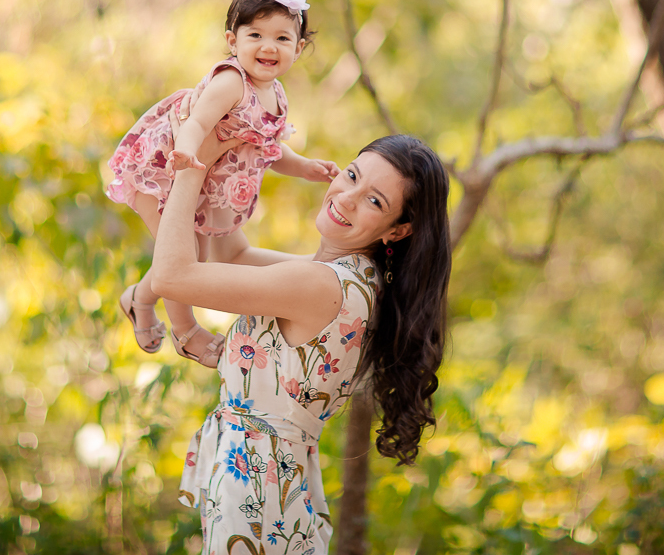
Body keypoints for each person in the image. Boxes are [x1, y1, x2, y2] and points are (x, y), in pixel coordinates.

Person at [149, 132, 452, 553]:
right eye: (351, 176)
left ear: (398, 230)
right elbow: (233, 257)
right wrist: (233, 158)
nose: (346, 197)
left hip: (258, 491)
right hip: (270, 488)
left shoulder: (320, 283)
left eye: (374, 201)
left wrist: (191, 167)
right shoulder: (353, 278)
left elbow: (170, 277)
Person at [105, 0, 340, 366]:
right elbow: (196, 123)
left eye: (282, 38)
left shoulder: (275, 91)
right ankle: (186, 332)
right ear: (233, 41)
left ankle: (138, 299)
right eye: (255, 35)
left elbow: (268, 146)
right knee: (186, 261)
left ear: (298, 49)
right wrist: (185, 150)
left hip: (207, 187)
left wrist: (304, 167)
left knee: (223, 252)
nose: (268, 46)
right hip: (167, 173)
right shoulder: (231, 82)